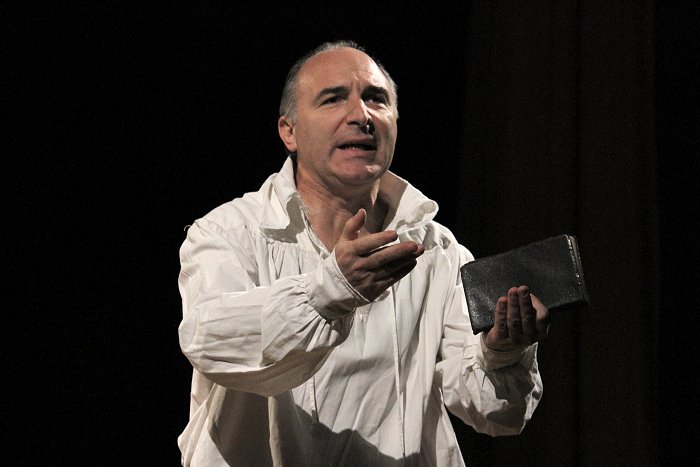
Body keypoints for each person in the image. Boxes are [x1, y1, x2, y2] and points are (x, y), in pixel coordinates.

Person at [177, 40, 550, 466]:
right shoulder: (231, 232)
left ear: (395, 123)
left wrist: (502, 351)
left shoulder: (438, 250)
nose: (362, 116)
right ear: (289, 132)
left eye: (376, 99)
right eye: (333, 99)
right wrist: (330, 290)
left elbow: (495, 414)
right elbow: (210, 342)